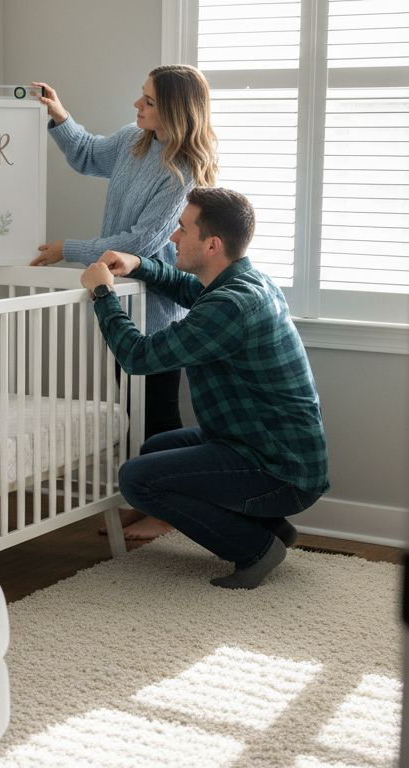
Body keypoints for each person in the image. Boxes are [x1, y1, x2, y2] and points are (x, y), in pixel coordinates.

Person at [80, 187, 329, 589]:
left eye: (182, 229)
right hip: (267, 448)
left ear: (212, 244)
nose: (173, 238)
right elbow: (185, 288)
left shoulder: (230, 306)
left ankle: (254, 548)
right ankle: (272, 529)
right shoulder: (244, 282)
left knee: (137, 478)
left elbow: (138, 357)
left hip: (278, 468)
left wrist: (103, 293)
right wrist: (139, 263)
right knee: (156, 450)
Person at [30, 66, 218, 541]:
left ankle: (168, 510)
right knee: (129, 409)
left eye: (148, 101)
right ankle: (145, 497)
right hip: (121, 297)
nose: (138, 105)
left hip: (155, 306)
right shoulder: (135, 143)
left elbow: (143, 242)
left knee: (156, 411)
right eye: (141, 96)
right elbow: (87, 155)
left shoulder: (182, 173)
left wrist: (66, 248)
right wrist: (58, 115)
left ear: (174, 111)